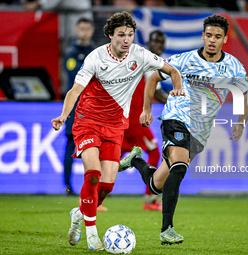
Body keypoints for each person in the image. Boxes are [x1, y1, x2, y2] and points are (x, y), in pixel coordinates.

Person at [51, 11, 183, 251]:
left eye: (130, 35)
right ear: (110, 35)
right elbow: (74, 90)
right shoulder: (96, 57)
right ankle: (92, 232)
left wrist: (178, 88)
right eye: (121, 34)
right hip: (88, 120)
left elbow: (173, 71)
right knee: (93, 173)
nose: (126, 39)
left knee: (107, 184)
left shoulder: (140, 55)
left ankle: (79, 213)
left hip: (114, 125)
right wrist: (63, 115)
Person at [119, 14, 248, 245]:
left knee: (156, 184)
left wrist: (241, 121)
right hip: (176, 118)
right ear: (202, 36)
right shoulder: (184, 60)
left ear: (224, 39)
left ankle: (135, 161)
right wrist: (147, 110)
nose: (212, 40)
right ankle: (166, 229)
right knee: (180, 167)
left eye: (217, 37)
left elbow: (245, 94)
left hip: (200, 132)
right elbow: (152, 79)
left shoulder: (233, 67)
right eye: (208, 35)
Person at [121, 30, 168, 211]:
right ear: (148, 43)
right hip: (134, 121)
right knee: (155, 152)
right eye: (155, 41)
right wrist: (176, 100)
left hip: (128, 119)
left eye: (161, 42)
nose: (159, 45)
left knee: (112, 159)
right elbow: (155, 92)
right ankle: (150, 199)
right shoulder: (148, 62)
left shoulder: (147, 61)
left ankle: (90, 198)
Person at [63, 18, 95, 197]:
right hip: (75, 107)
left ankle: (95, 186)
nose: (84, 32)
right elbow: (74, 77)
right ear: (77, 30)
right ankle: (68, 186)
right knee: (70, 144)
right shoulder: (72, 53)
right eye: (81, 29)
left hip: (93, 107)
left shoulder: (96, 52)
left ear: (92, 30)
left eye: (87, 29)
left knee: (94, 147)